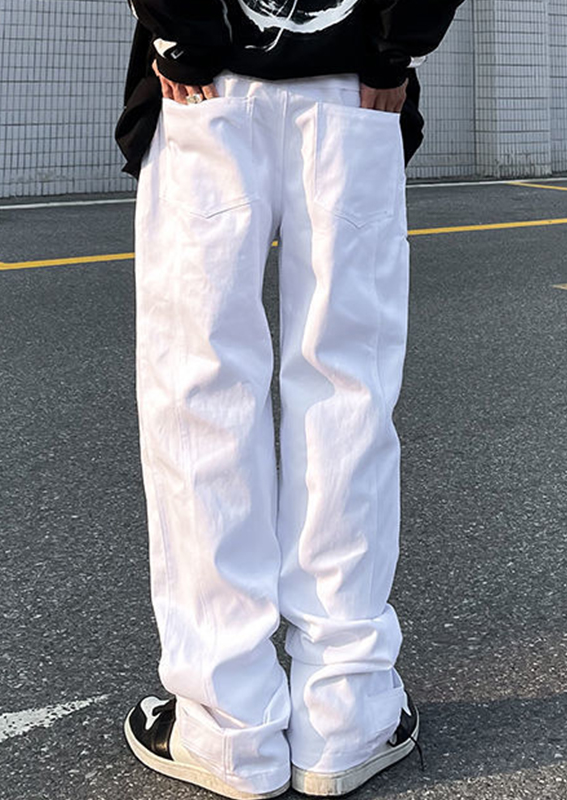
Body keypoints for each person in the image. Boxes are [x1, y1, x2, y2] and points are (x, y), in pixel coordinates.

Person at [115, 2, 463, 798]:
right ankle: (348, 712)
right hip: (354, 87)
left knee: (199, 392)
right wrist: (396, 46)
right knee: (349, 392)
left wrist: (181, 30)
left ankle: (226, 727)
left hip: (206, 84)